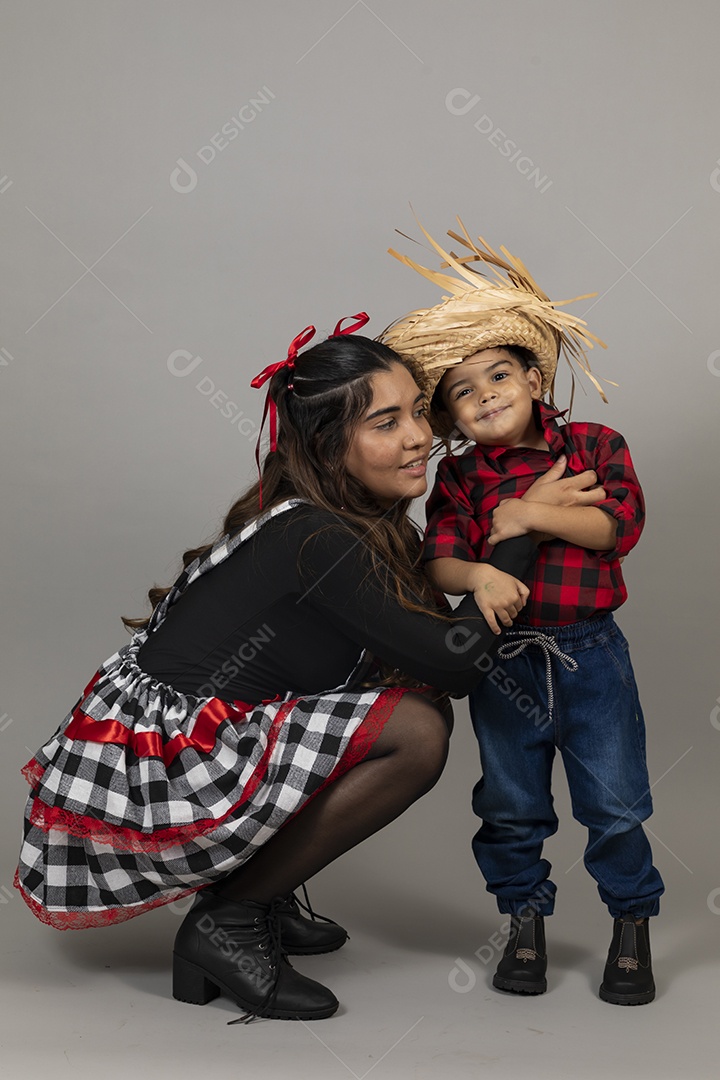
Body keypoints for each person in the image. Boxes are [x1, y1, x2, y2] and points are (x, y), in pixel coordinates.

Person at [15, 317, 544, 1025]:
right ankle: (229, 920)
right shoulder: (317, 535)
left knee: (385, 692)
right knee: (417, 729)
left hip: (189, 733)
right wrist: (518, 536)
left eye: (419, 409)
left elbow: (421, 639)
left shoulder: (337, 515)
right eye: (387, 422)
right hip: (156, 768)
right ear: (330, 444)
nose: (420, 435)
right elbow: (456, 663)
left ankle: (252, 889)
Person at [380, 221, 664, 1006]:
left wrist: (524, 520)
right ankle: (524, 922)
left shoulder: (597, 445)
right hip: (506, 662)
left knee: (612, 801)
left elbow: (615, 529)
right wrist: (479, 565)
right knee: (510, 804)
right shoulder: (462, 480)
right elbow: (438, 562)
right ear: (450, 416)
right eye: (462, 394)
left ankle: (631, 925)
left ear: (535, 377)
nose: (483, 398)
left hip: (592, 654)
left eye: (498, 377)